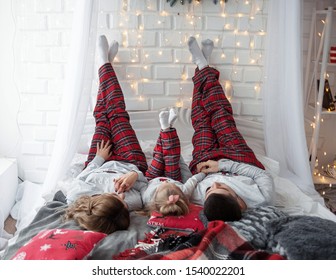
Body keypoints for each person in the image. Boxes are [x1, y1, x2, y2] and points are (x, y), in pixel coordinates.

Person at [62, 35, 148, 234]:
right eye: (123, 204)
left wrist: (99, 160)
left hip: (99, 160)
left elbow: (83, 176)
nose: (123, 197)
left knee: (102, 116)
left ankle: (104, 63)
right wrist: (134, 175)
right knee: (117, 114)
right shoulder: (131, 203)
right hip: (130, 160)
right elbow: (147, 184)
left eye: (117, 198)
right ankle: (105, 63)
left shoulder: (77, 196)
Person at [186, 36, 274, 222]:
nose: (217, 182)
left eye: (211, 189)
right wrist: (221, 166)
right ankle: (203, 66)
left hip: (205, 159)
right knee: (221, 115)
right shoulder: (261, 198)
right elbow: (261, 174)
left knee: (201, 120)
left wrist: (203, 173)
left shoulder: (203, 199)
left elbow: (188, 185)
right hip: (238, 156)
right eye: (224, 188)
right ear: (239, 202)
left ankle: (202, 66)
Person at [141, 108, 205, 217]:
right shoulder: (183, 192)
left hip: (152, 178)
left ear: (155, 196)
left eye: (162, 186)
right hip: (174, 176)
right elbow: (193, 180)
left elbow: (141, 185)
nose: (165, 182)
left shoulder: (147, 198)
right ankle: (166, 128)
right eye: (171, 185)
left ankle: (165, 128)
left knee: (159, 155)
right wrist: (203, 173)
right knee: (172, 158)